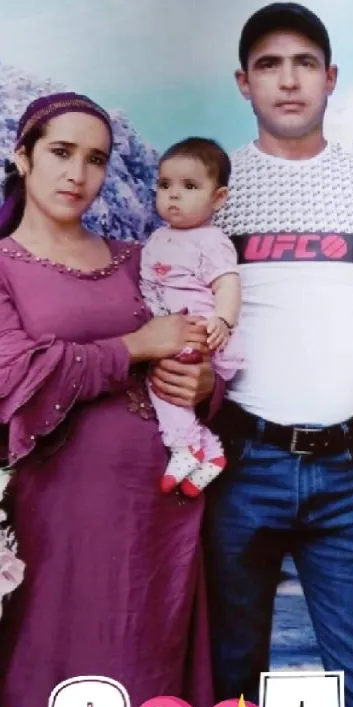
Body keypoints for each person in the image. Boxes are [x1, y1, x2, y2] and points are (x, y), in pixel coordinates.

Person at [203, 3, 353, 707]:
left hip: (350, 474)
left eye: (303, 62)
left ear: (329, 78)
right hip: (238, 464)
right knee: (227, 686)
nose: (287, 79)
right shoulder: (215, 184)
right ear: (242, 82)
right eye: (268, 63)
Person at [0, 92, 219, 707]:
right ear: (23, 154)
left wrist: (198, 380)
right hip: (57, 519)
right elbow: (16, 379)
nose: (79, 174)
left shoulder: (139, 257)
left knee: (148, 690)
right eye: (62, 152)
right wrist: (134, 345)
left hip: (161, 516)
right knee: (57, 683)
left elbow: (189, 345)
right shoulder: (3, 265)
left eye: (96, 159)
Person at [140, 137, 243, 497]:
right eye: (165, 185)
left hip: (199, 330)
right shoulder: (158, 238)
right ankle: (212, 454)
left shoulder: (210, 240)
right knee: (163, 382)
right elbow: (150, 283)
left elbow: (228, 283)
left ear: (217, 198)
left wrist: (224, 321)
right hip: (170, 329)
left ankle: (185, 446)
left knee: (166, 384)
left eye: (189, 186)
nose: (173, 195)